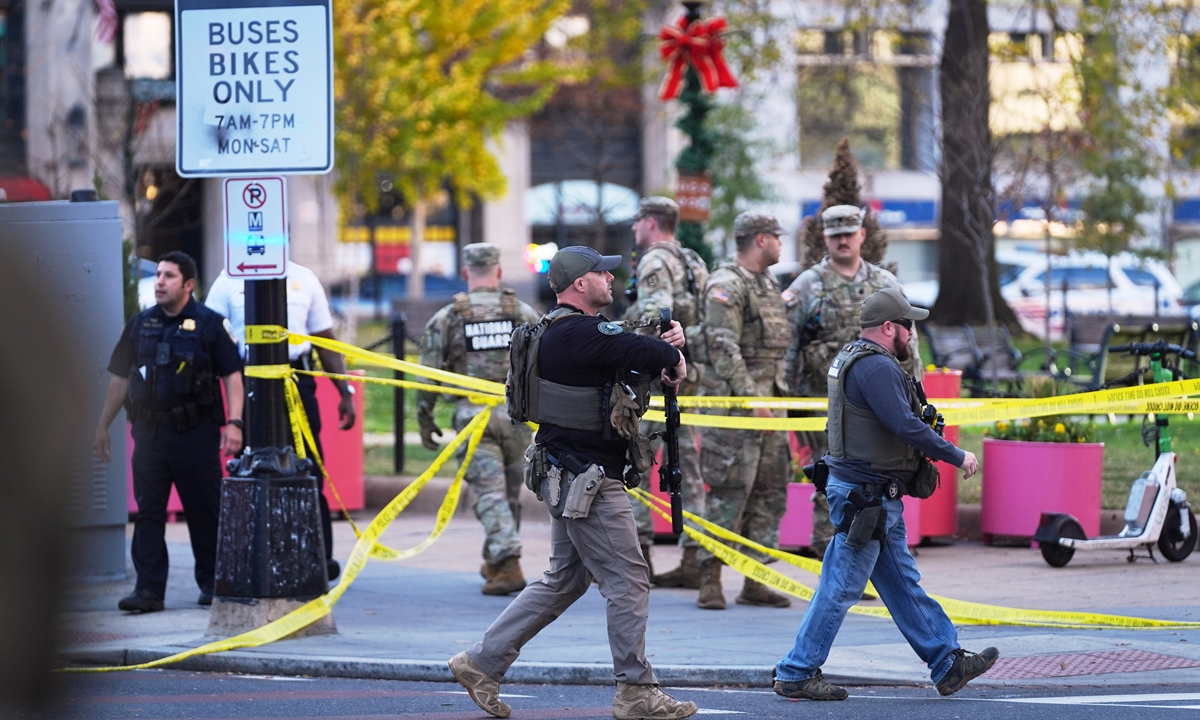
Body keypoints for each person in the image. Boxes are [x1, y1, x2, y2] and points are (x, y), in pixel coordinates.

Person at [448, 245, 697, 720]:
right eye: (603, 272)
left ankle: (481, 663)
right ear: (581, 284)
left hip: (566, 473)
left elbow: (627, 354)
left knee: (565, 579)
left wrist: (665, 346)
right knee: (628, 580)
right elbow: (640, 349)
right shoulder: (580, 334)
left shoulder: (557, 333)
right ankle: (636, 690)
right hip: (589, 481)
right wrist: (670, 349)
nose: (610, 278)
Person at [773, 288, 996, 701]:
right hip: (866, 497)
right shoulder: (876, 367)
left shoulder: (853, 357)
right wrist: (956, 455)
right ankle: (797, 670)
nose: (912, 334)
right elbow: (905, 426)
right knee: (840, 587)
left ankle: (946, 661)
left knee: (901, 583)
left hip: (870, 496)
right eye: (908, 326)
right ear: (889, 327)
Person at [94, 252, 244, 612]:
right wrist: (102, 425)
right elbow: (119, 378)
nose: (159, 282)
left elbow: (232, 377)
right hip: (150, 435)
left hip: (196, 433)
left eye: (169, 276)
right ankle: (148, 591)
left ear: (188, 285)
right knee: (148, 514)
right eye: (158, 275)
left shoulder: (211, 325)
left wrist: (235, 423)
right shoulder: (140, 324)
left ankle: (211, 583)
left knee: (204, 510)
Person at [782, 205, 922, 557]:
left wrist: (915, 394)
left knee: (875, 476)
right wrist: (781, 398)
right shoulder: (807, 286)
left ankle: (868, 551)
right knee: (830, 475)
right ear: (825, 238)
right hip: (821, 401)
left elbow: (909, 342)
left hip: (876, 406)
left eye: (849, 233)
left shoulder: (884, 284)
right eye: (835, 235)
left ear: (862, 235)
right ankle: (828, 551)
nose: (843, 240)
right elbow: (787, 346)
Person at [206, 260, 356, 582]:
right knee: (250, 471)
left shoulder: (305, 277)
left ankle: (318, 557)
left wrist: (345, 390)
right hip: (250, 382)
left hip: (296, 380)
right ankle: (252, 557)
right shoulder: (228, 280)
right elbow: (209, 338)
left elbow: (324, 339)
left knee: (308, 466)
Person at [417, 243, 541, 595]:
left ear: (466, 272)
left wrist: (425, 419)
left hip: (474, 419)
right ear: (499, 272)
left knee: (489, 492)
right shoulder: (522, 312)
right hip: (518, 417)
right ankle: (497, 561)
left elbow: (426, 374)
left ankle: (510, 560)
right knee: (510, 493)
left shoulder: (449, 317)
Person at [625, 196, 709, 589]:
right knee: (689, 469)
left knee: (635, 462)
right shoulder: (694, 261)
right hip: (690, 377)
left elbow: (655, 319)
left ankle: (638, 556)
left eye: (637, 221)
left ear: (651, 223)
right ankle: (694, 555)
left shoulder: (654, 262)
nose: (633, 229)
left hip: (656, 380)